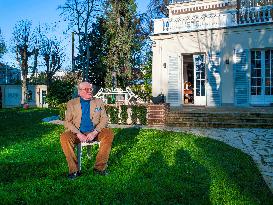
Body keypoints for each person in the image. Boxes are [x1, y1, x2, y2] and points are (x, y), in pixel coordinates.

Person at [60, 82, 114, 179]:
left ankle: (99, 168)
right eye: (87, 89)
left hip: (94, 131)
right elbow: (67, 122)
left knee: (109, 133)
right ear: (79, 92)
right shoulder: (72, 103)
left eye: (91, 89)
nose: (90, 91)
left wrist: (95, 132)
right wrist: (79, 134)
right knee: (64, 137)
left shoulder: (98, 102)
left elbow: (104, 119)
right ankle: (74, 171)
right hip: (77, 132)